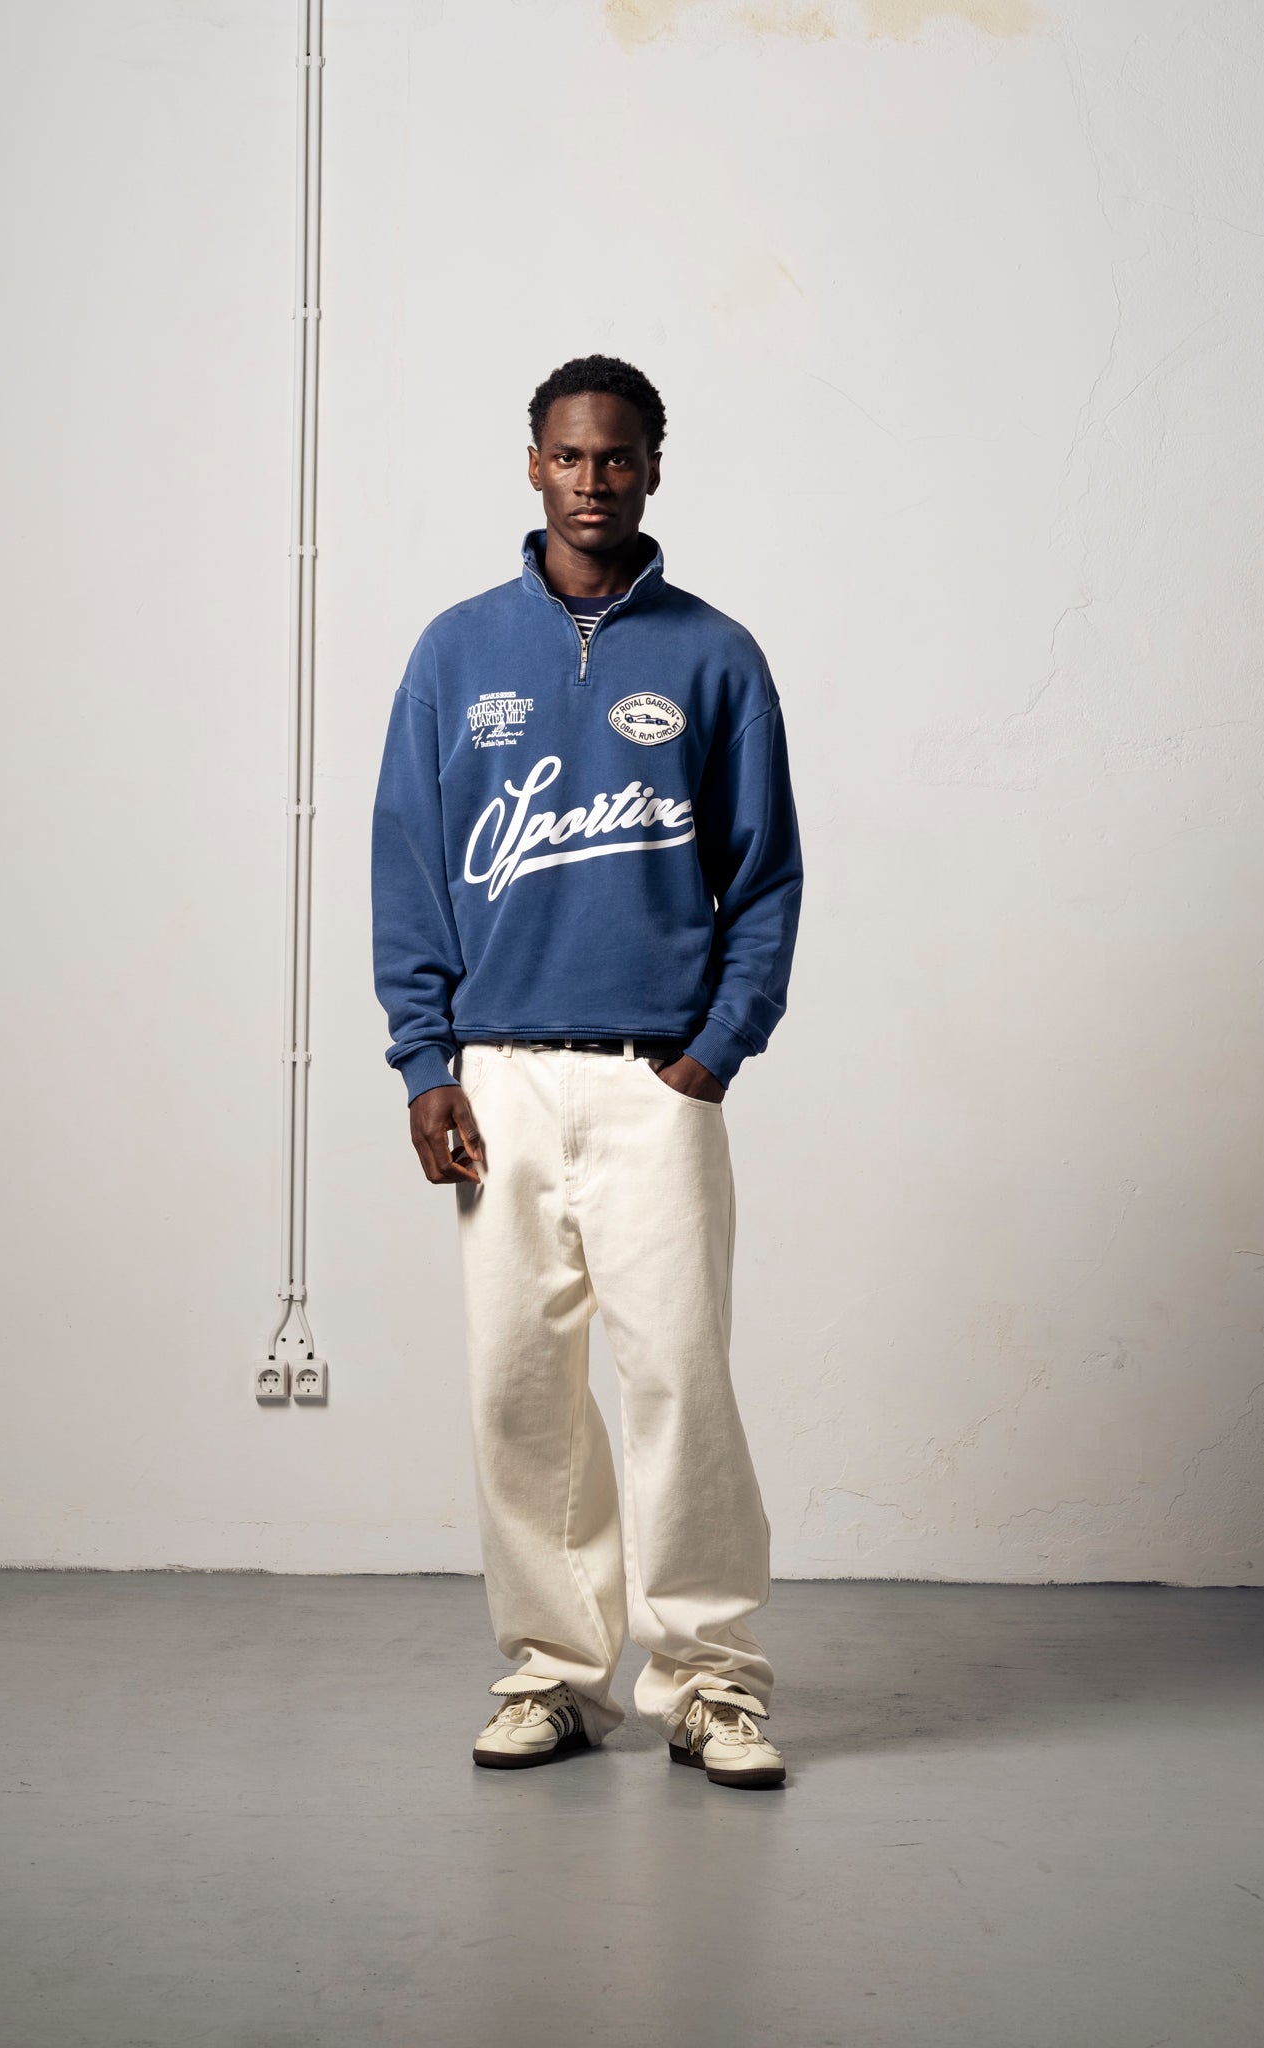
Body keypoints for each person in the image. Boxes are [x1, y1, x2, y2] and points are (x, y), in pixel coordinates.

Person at [370, 354, 803, 1790]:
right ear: (533, 464)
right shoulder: (455, 653)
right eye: (568, 455)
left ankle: (710, 1682)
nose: (593, 481)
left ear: (654, 468)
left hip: (650, 1082)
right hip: (497, 1078)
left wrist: (716, 1049)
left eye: (618, 457)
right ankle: (554, 1676)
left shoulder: (714, 655)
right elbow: (408, 867)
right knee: (521, 1393)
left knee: (678, 1382)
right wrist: (426, 1060)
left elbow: (766, 877)